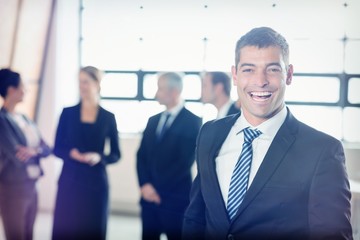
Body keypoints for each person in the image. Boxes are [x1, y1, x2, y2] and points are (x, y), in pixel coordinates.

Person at [182, 27, 352, 239]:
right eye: (248, 69)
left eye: (272, 69)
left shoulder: (322, 150)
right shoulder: (210, 133)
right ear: (235, 75)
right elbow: (196, 217)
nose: (260, 81)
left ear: (288, 75)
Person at [52, 66, 121, 240]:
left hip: (96, 183)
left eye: (86, 82)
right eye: (79, 82)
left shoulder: (108, 117)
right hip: (70, 181)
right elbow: (57, 147)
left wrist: (99, 157)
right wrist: (71, 153)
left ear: (97, 84)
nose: (81, 86)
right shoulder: (67, 113)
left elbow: (115, 153)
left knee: (92, 229)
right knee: (65, 228)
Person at [137, 72, 201, 240]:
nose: (155, 94)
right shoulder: (153, 120)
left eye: (160, 89)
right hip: (148, 198)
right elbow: (141, 156)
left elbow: (185, 162)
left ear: (174, 92)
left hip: (174, 199)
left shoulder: (193, 121)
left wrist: (157, 189)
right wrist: (145, 185)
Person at [0, 68, 51, 240]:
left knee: (29, 234)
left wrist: (34, 151)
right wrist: (36, 150)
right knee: (16, 235)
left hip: (32, 184)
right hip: (13, 186)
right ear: (11, 90)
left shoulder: (25, 118)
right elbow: (16, 154)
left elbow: (47, 148)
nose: (26, 90)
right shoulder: (2, 120)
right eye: (23, 86)